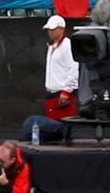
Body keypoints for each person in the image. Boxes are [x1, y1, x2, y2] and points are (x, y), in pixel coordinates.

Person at [31, 14, 79, 143]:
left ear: (61, 29)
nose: (50, 32)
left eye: (53, 29)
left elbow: (74, 67)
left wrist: (67, 90)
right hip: (51, 93)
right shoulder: (51, 47)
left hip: (62, 93)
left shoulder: (68, 45)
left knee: (64, 127)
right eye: (49, 30)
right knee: (52, 126)